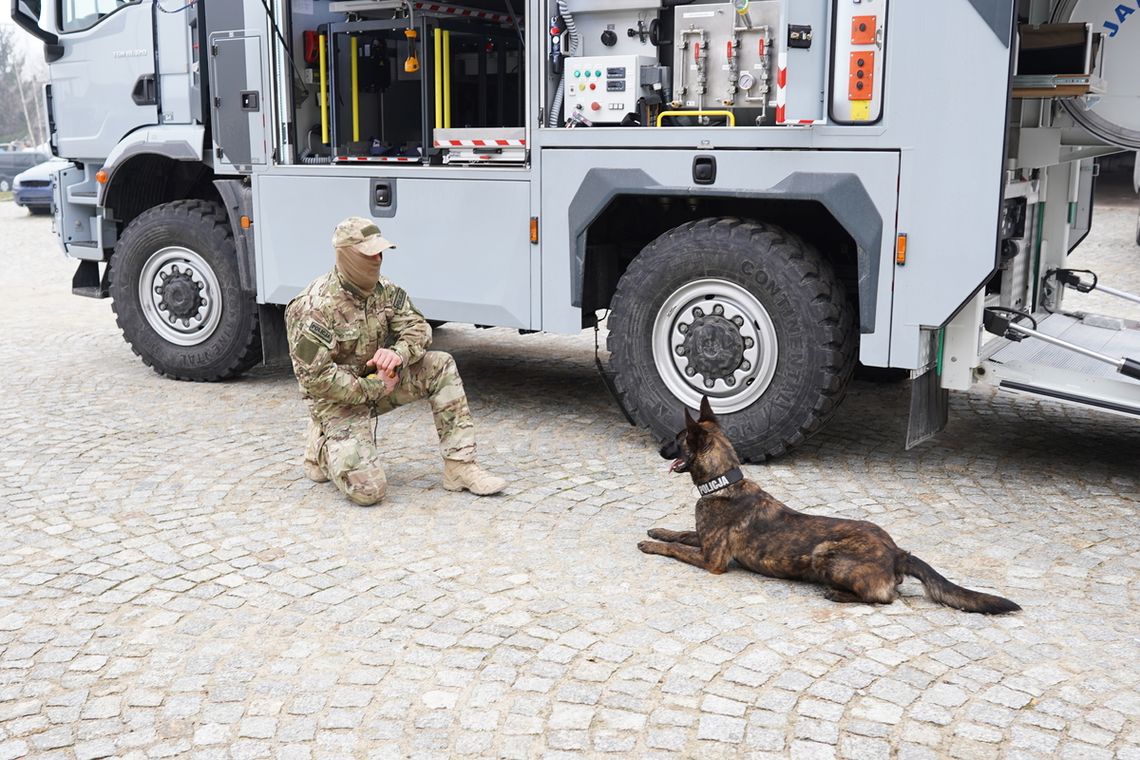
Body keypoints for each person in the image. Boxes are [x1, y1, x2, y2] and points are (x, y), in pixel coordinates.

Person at [285, 216, 506, 505]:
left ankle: (460, 467)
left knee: (440, 365)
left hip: (382, 382)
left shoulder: (386, 291)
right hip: (338, 401)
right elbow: (317, 380)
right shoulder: (312, 307)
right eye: (370, 253)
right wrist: (375, 386)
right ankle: (322, 442)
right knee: (368, 493)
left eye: (381, 252)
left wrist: (398, 352)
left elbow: (419, 328)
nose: (378, 259)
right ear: (348, 256)